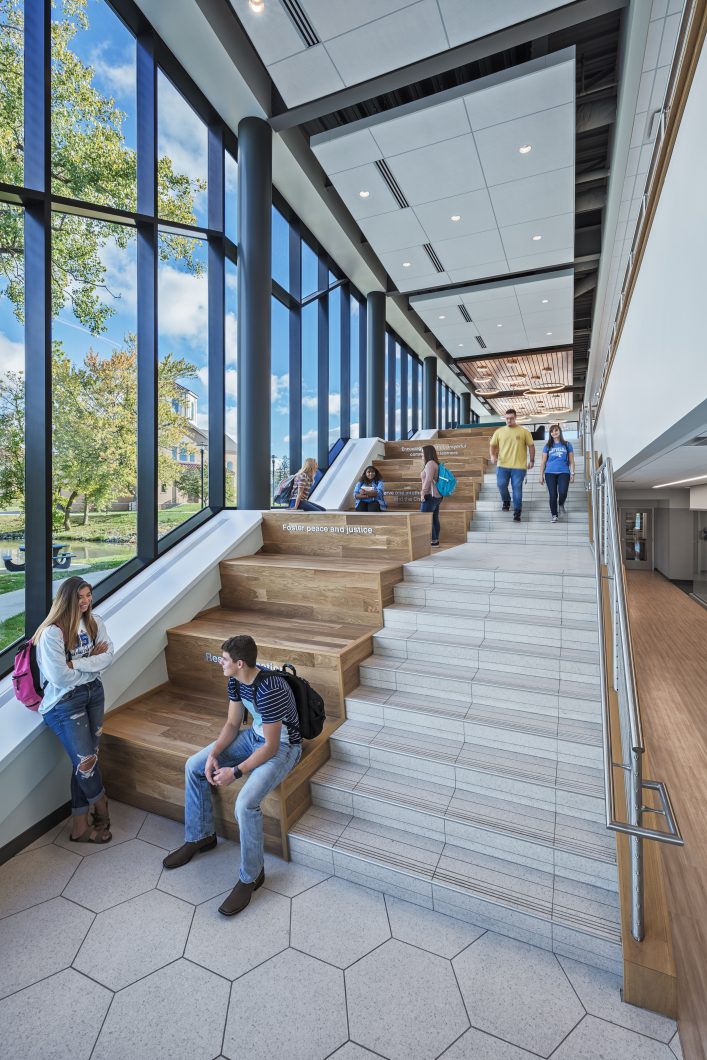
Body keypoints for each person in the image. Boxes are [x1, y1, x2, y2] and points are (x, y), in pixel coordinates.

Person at [163, 635, 302, 917]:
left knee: (244, 804)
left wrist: (236, 771)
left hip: (284, 748)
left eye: (224, 659)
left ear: (240, 663)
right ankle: (200, 836)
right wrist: (215, 754)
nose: (220, 663)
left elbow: (272, 746)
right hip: (253, 738)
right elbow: (231, 722)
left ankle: (252, 876)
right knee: (194, 765)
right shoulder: (236, 680)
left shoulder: (270, 689)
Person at [34, 576, 114, 843]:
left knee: (86, 760)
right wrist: (90, 662)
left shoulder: (94, 622)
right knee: (86, 763)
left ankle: (79, 826)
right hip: (64, 702)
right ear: (67, 598)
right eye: (80, 596)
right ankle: (101, 803)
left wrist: (78, 663)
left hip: (94, 695)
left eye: (88, 595)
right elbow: (59, 678)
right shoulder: (52, 633)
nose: (86, 601)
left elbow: (107, 657)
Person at [489, 409, 535, 523]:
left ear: (515, 418)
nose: (509, 420)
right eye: (507, 418)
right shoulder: (499, 431)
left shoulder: (524, 431)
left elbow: (531, 446)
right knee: (501, 485)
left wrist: (532, 460)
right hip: (502, 466)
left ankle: (517, 512)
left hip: (519, 467)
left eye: (511, 418)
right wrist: (493, 455)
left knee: (517, 490)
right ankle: (506, 500)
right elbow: (492, 445)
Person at [540, 423, 575, 522]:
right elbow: (543, 461)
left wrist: (572, 473)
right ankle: (554, 515)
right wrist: (541, 475)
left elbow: (572, 461)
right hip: (550, 473)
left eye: (556, 430)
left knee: (563, 492)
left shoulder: (567, 444)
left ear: (560, 431)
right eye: (551, 431)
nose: (554, 432)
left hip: (564, 472)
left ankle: (561, 504)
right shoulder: (547, 446)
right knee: (553, 495)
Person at [419, 444, 442, 546]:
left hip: (430, 495)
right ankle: (435, 540)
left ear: (427, 452)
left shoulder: (430, 464)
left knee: (425, 517)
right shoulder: (433, 463)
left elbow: (428, 479)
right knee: (433, 518)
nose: (421, 455)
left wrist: (423, 493)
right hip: (436, 496)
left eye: (422, 452)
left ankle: (433, 540)